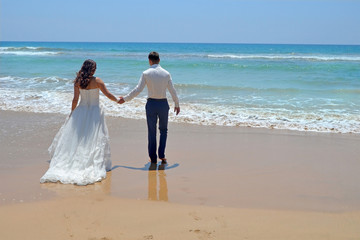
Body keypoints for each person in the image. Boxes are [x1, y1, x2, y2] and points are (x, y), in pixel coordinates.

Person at [40, 59, 120, 185]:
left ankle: (74, 160)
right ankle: (93, 162)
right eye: (95, 68)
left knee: (79, 138)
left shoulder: (78, 81)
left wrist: (72, 113)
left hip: (81, 111)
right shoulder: (97, 81)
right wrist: (117, 100)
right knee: (94, 139)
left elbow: (75, 99)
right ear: (92, 69)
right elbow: (108, 94)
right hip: (94, 112)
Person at [119, 52, 180, 164]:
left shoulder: (146, 73)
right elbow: (173, 90)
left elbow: (138, 90)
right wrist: (177, 104)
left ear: (149, 60)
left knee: (152, 131)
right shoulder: (166, 73)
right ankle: (162, 155)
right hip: (163, 104)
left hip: (151, 104)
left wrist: (125, 99)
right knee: (163, 130)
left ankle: (153, 157)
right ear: (159, 60)